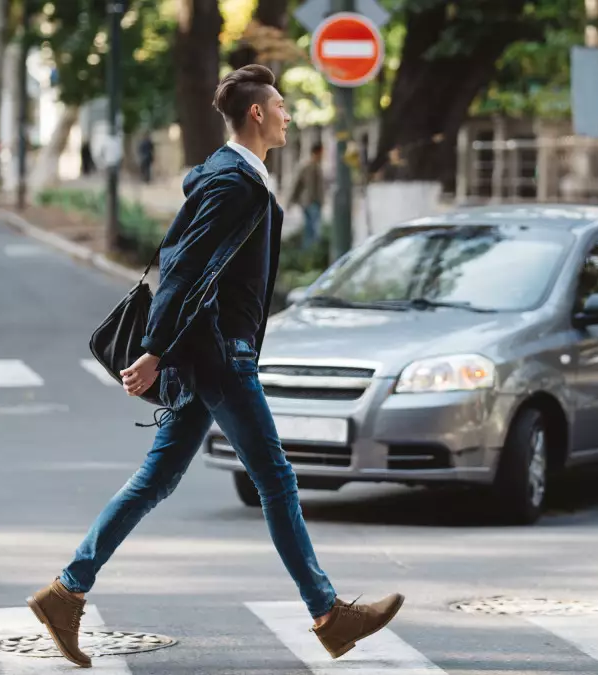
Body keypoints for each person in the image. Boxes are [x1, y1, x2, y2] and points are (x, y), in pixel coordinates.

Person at [26, 65, 404, 669]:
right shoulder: (233, 182)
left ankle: (66, 593)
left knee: (156, 479)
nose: (287, 114)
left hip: (211, 354)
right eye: (280, 105)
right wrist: (154, 350)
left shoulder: (237, 176)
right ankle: (329, 615)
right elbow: (183, 267)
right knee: (276, 480)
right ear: (257, 113)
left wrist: (167, 349)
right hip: (222, 355)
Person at [289, 142, 324, 248]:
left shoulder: (317, 166)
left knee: (310, 228)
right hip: (310, 202)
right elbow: (298, 184)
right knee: (313, 229)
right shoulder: (307, 166)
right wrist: (291, 200)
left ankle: (309, 251)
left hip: (314, 202)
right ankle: (311, 251)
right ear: (317, 152)